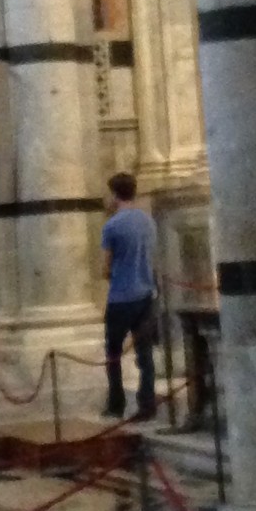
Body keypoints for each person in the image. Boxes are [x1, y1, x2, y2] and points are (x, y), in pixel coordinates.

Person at [101, 172, 158, 423]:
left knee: (113, 353)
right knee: (145, 354)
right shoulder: (148, 221)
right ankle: (147, 405)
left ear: (115, 194)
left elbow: (105, 267)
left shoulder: (112, 226)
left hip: (121, 297)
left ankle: (116, 405)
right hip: (145, 295)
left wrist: (111, 272)